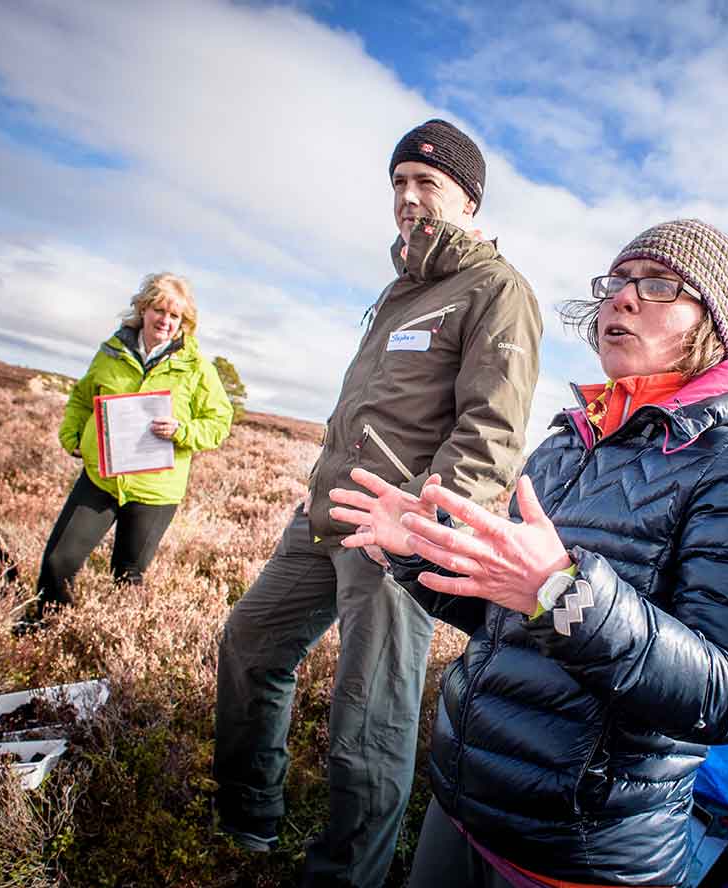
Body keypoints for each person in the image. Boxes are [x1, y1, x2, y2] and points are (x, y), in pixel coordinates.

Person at [329, 219, 728, 887]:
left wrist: (560, 593)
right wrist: (419, 554)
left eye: (658, 285)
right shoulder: (571, 438)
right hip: (461, 807)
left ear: (713, 321)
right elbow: (508, 616)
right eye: (617, 282)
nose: (623, 298)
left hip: (580, 851)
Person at [213, 119, 542, 888]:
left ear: (469, 200)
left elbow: (490, 434)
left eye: (427, 182)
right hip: (324, 518)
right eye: (399, 182)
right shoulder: (401, 289)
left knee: (368, 724)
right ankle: (248, 819)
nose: (408, 196)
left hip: (395, 537)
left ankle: (345, 877)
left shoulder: (497, 290)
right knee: (250, 645)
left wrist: (418, 529)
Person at [15, 272, 233, 633]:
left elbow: (219, 421)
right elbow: (82, 399)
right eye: (159, 310)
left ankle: (116, 647)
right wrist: (72, 435)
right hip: (101, 478)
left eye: (174, 315)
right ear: (142, 309)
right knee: (58, 561)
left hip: (155, 491)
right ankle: (48, 632)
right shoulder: (111, 352)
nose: (165, 320)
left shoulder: (197, 367)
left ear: (184, 322)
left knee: (127, 577)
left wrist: (183, 431)